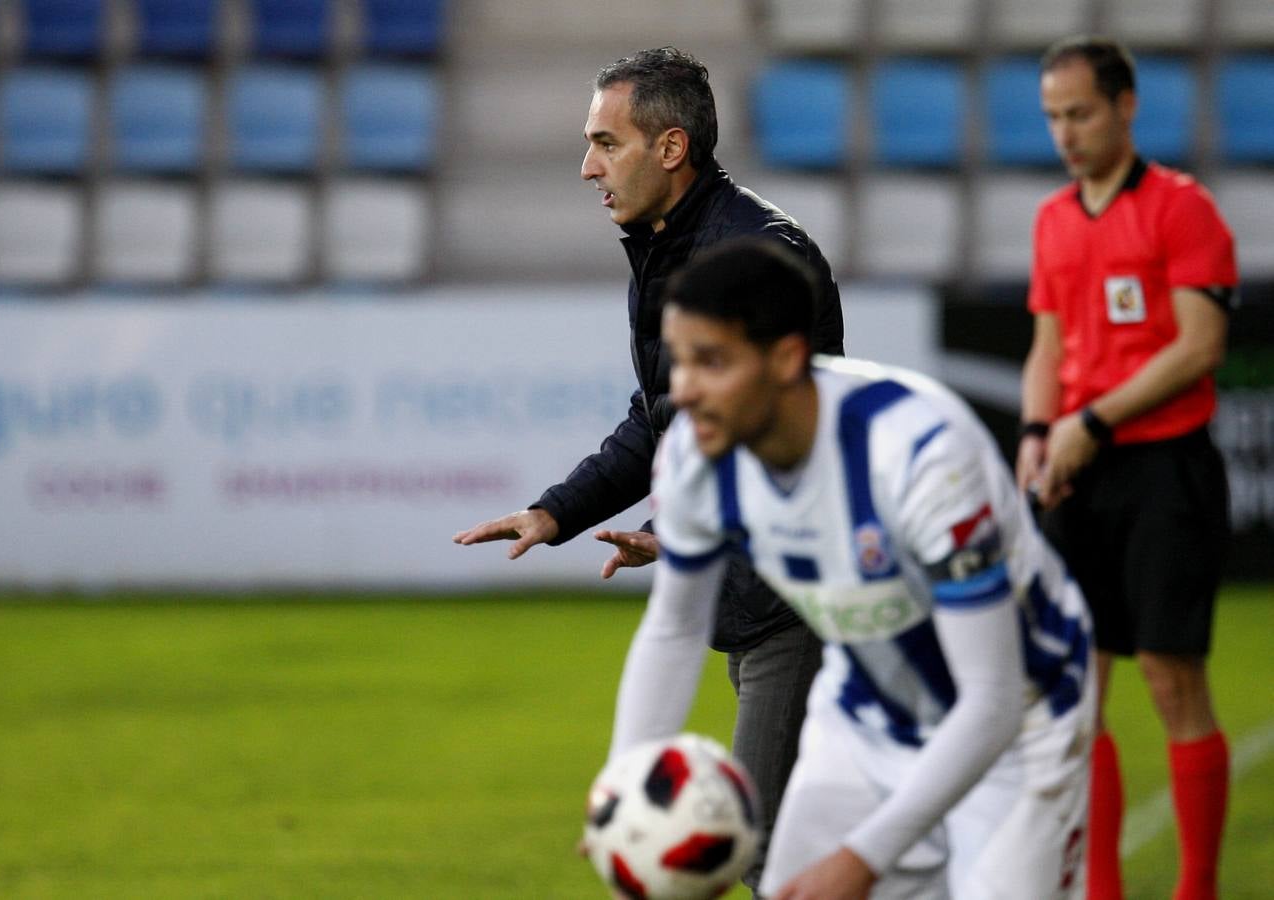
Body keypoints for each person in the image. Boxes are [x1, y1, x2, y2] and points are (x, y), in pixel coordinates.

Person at [453, 47, 845, 890]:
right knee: (791, 853)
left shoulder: (753, 260)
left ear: (670, 149)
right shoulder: (667, 246)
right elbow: (661, 418)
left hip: (804, 588)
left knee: (773, 854)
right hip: (744, 586)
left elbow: (778, 434)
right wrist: (556, 512)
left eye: (606, 141)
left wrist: (679, 530)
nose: (586, 166)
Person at [605, 238, 1095, 899]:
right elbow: (674, 628)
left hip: (1023, 727)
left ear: (784, 359)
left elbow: (993, 699)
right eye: (680, 360)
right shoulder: (696, 452)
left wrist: (862, 858)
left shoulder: (922, 454)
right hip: (868, 711)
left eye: (712, 361)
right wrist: (624, 796)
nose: (684, 390)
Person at [1016, 36, 1237, 900]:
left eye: (1080, 113)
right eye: (1053, 117)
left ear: (1126, 106)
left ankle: (1198, 888)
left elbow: (1201, 346)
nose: (1066, 133)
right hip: (1078, 469)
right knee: (1079, 692)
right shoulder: (1053, 218)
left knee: (1171, 678)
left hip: (1163, 469)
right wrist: (1040, 431)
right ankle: (1099, 889)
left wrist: (1092, 422)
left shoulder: (1182, 210)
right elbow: (1047, 345)